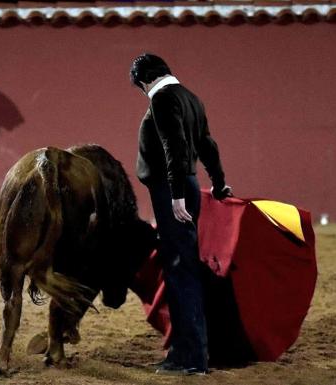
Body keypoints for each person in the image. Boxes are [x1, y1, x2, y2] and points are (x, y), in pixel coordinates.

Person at [130, 53, 232, 375]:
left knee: (180, 271)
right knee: (182, 269)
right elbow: (207, 145)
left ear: (145, 80)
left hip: (172, 192)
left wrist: (175, 197)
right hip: (186, 187)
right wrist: (218, 183)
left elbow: (173, 147)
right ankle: (187, 353)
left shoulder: (161, 98)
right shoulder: (192, 98)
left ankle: (190, 359)